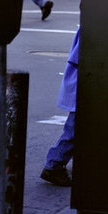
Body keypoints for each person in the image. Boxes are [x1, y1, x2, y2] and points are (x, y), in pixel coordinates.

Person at [40, 27, 80, 186]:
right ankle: (54, 164)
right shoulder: (92, 28)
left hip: (81, 84)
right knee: (74, 129)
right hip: (82, 85)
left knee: (76, 128)